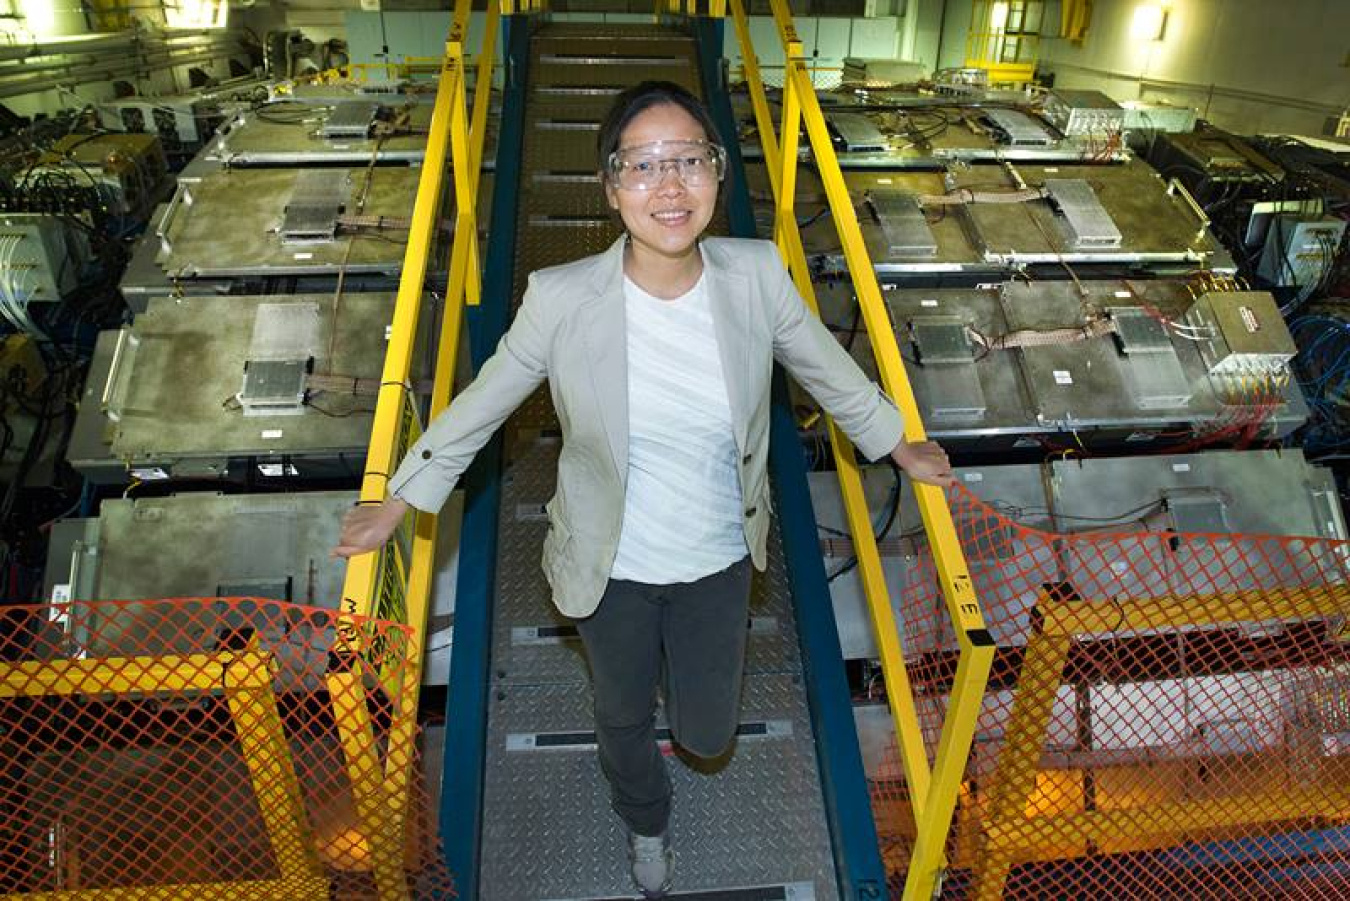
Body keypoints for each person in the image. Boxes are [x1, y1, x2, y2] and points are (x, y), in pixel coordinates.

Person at [333, 80, 952, 898]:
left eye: (690, 161)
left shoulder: (755, 274)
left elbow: (825, 368)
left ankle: (680, 726)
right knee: (624, 715)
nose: (670, 186)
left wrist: (897, 442)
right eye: (645, 165)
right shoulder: (561, 299)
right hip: (609, 565)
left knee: (707, 730)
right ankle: (646, 818)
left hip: (721, 560)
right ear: (610, 185)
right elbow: (484, 400)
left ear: (718, 173)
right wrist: (402, 499)